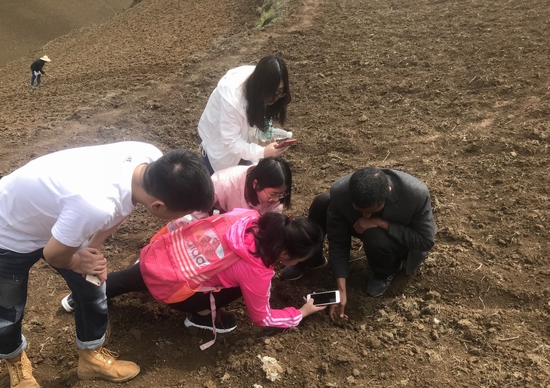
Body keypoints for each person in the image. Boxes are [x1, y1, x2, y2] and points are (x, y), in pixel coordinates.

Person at [0, 141, 214, 388]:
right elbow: (54, 254)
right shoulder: (95, 204)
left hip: (58, 219)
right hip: (3, 233)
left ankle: (91, 358)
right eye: (182, 214)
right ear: (157, 206)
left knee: (94, 285)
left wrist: (92, 250)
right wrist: (77, 261)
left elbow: (122, 209)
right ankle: (15, 360)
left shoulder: (149, 161)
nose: (182, 219)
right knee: (6, 307)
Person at [61, 156, 292, 313]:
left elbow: (263, 231)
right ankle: (89, 294)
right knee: (167, 260)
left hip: (226, 240)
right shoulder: (224, 184)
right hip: (204, 228)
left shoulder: (267, 208)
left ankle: (145, 273)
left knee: (160, 273)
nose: (276, 200)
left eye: (280, 196)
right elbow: (198, 214)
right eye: (272, 194)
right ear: (255, 184)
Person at [105, 212, 326, 334]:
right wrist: (301, 313)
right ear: (284, 253)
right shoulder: (257, 270)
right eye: (299, 260)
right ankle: (200, 316)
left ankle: (90, 293)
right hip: (173, 287)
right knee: (240, 286)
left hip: (159, 254)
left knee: (122, 281)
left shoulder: (247, 216)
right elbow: (261, 317)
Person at [280, 167, 436, 318]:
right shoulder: (341, 191)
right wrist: (341, 290)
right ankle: (312, 259)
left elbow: (425, 241)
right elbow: (338, 240)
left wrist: (381, 223)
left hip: (396, 241)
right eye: (359, 209)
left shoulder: (415, 194)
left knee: (374, 235)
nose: (366, 216)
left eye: (372, 211)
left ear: (388, 192)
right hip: (359, 226)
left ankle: (385, 272)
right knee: (322, 202)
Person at [198, 55, 296, 174]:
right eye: (270, 93)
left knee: (246, 171)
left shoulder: (262, 81)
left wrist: (262, 135)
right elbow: (231, 141)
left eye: (279, 92)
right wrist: (263, 152)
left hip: (239, 138)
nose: (274, 98)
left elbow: (254, 115)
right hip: (218, 142)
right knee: (222, 180)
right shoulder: (232, 101)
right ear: (260, 87)